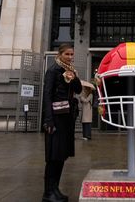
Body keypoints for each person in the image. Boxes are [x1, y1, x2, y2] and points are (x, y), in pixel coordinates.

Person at [42, 43, 81, 202]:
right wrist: (49, 120)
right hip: (55, 119)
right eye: (67, 54)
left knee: (61, 155)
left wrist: (74, 77)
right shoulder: (53, 71)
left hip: (67, 119)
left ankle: (55, 189)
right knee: (53, 156)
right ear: (59, 55)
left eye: (72, 54)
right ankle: (48, 193)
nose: (70, 57)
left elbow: (78, 90)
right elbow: (47, 95)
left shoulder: (71, 70)